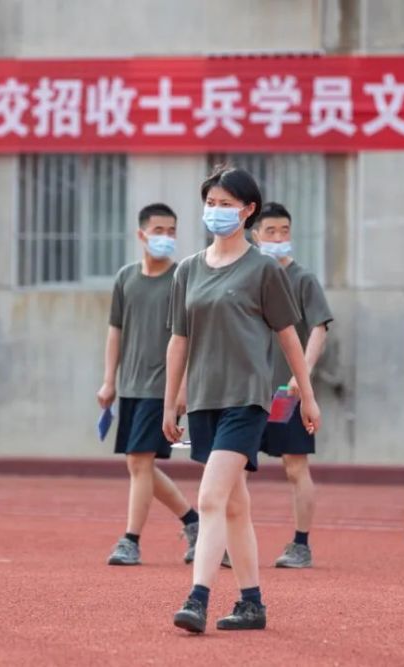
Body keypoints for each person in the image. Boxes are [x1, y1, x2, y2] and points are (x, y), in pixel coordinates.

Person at [164, 166, 320, 634]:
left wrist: (307, 396)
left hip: (247, 400)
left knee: (211, 497)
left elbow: (289, 337)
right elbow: (178, 340)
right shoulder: (188, 270)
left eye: (227, 204)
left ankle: (198, 598)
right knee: (234, 506)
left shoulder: (263, 270)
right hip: (206, 400)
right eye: (211, 202)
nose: (216, 211)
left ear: (248, 210)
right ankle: (252, 603)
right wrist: (171, 401)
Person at [98, 203, 200, 566]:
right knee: (139, 465)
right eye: (159, 230)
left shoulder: (182, 279)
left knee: (140, 462)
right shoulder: (126, 278)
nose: (166, 237)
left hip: (163, 387)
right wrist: (110, 380)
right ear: (141, 234)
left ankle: (130, 540)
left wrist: (183, 387)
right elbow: (116, 331)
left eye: (172, 231)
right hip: (130, 387)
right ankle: (193, 521)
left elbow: (191, 337)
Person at [252, 203, 333, 569]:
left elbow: (320, 326)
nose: (279, 237)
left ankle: (301, 544)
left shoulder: (302, 280)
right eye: (271, 231)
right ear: (255, 234)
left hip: (288, 393)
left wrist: (304, 375)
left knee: (295, 467)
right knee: (231, 466)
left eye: (284, 230)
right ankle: (223, 542)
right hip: (248, 389)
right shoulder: (247, 274)